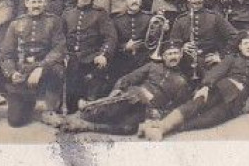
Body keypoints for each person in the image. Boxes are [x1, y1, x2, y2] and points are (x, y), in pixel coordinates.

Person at [140, 30, 249, 139]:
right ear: (240, 46)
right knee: (194, 106)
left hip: (234, 103)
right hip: (220, 89)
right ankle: (162, 128)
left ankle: (159, 126)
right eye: (246, 43)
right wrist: (206, 86)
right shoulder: (231, 59)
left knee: (209, 119)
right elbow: (216, 72)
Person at [61, 38, 194, 136]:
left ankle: (87, 126)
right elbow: (128, 78)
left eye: (176, 53)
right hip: (133, 96)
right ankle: (75, 117)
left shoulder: (181, 81)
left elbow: (176, 106)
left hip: (147, 109)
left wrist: (160, 114)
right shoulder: (153, 66)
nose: (173, 57)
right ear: (163, 56)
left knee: (128, 128)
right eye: (169, 54)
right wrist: (116, 90)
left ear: (181, 55)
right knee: (108, 110)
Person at [0, 0, 66, 128]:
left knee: (58, 68)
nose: (36, 5)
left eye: (40, 2)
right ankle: (27, 103)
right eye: (33, 2)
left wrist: (41, 67)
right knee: (15, 121)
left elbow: (59, 48)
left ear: (45, 3)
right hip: (23, 68)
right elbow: (7, 53)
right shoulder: (16, 24)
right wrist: (12, 73)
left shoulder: (54, 21)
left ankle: (50, 110)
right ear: (26, 4)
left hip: (46, 68)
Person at [56, 0, 117, 115]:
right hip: (71, 59)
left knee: (91, 97)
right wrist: (63, 54)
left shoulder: (100, 14)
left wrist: (103, 54)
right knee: (70, 102)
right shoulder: (67, 14)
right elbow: (60, 38)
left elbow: (110, 37)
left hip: (91, 58)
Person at [168, 0, 240, 81]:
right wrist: (182, 47)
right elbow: (173, 43)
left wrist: (221, 55)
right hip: (186, 64)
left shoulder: (215, 17)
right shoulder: (181, 19)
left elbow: (235, 37)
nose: (197, 0)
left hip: (209, 62)